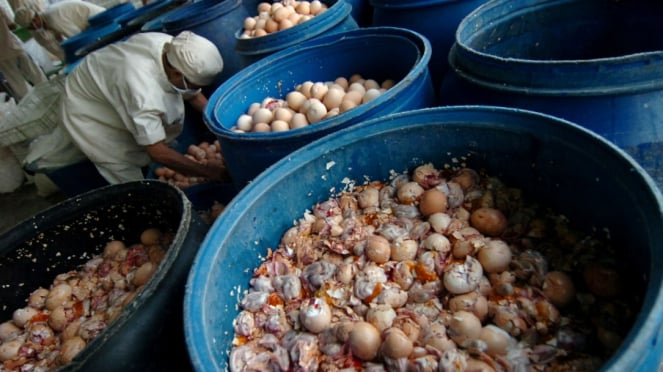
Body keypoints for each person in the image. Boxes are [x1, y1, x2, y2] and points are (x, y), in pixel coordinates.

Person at [60, 30, 230, 185]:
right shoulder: (142, 90)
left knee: (145, 133)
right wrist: (209, 172)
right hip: (85, 105)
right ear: (177, 73)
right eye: (192, 85)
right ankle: (139, 193)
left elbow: (193, 94)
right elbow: (157, 152)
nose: (194, 90)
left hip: (108, 78)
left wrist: (224, 128)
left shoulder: (173, 50)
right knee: (121, 161)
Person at [14, 0, 105, 61]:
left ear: (35, 19)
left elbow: (79, 39)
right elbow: (59, 51)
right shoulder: (44, 22)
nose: (34, 29)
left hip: (100, 19)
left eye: (32, 26)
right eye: (30, 28)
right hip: (88, 25)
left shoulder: (53, 18)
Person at [0, 0, 47, 100]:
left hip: (1, 57)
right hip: (13, 47)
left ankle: (31, 105)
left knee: (16, 82)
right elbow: (12, 25)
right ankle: (50, 93)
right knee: (34, 73)